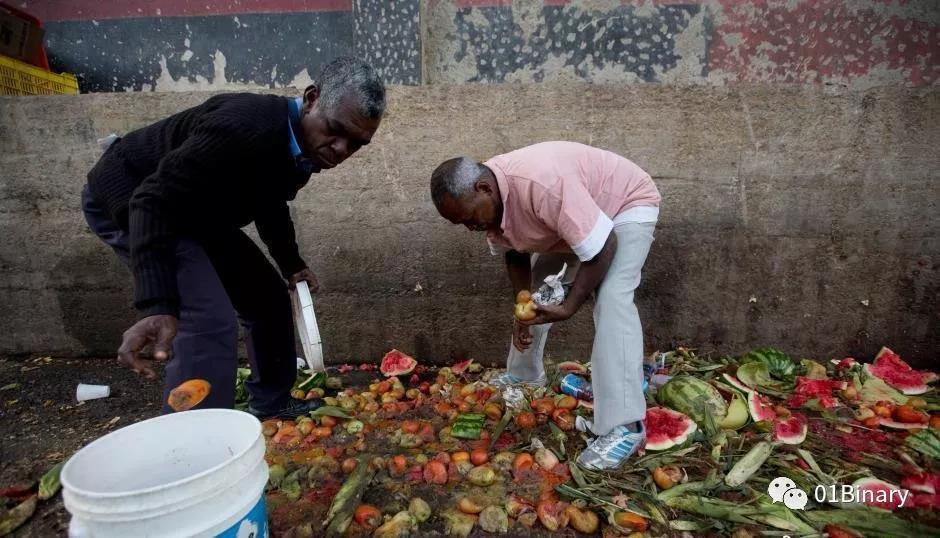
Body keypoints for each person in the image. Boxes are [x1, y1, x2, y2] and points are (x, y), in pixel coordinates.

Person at [82, 57, 385, 419]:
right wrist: (158, 303)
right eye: (335, 130)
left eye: (356, 144)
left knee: (268, 296)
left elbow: (269, 199)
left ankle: (271, 403)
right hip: (134, 198)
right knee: (207, 318)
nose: (340, 150)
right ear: (311, 98)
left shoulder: (301, 148)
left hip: (197, 212)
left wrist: (291, 263)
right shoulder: (243, 126)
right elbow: (151, 200)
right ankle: (197, 442)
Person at [429, 141, 661, 470]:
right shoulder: (491, 198)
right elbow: (515, 252)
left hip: (623, 205)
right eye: (461, 224)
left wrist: (570, 306)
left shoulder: (542, 184)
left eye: (469, 218)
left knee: (611, 296)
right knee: (537, 294)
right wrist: (521, 308)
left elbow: (604, 245)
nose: (470, 227)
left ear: (484, 188)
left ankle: (625, 426)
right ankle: (525, 377)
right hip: (573, 220)